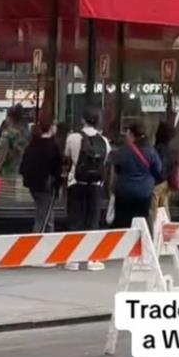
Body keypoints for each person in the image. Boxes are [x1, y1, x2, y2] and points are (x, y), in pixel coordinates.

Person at [64, 108, 111, 271]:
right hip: (96, 185)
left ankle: (73, 259)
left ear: (83, 120)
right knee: (93, 221)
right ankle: (93, 258)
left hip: (76, 183)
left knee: (75, 220)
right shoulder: (104, 141)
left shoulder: (73, 138)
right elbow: (105, 162)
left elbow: (67, 157)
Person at [110, 120, 163, 228]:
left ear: (131, 134)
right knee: (141, 223)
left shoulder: (123, 151)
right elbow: (158, 171)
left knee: (122, 223)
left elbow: (116, 169)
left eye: (127, 133)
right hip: (144, 193)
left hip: (124, 193)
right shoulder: (151, 152)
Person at [19, 119, 63, 234]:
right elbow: (57, 168)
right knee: (45, 215)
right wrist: (59, 181)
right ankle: (39, 238)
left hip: (33, 185)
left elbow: (23, 166)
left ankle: (43, 235)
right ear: (51, 128)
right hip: (46, 185)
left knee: (43, 212)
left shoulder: (32, 145)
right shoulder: (52, 147)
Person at [0, 103, 28, 179]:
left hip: (6, 173)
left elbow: (0, 159)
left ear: (9, 118)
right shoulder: (24, 134)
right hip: (20, 174)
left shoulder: (7, 136)